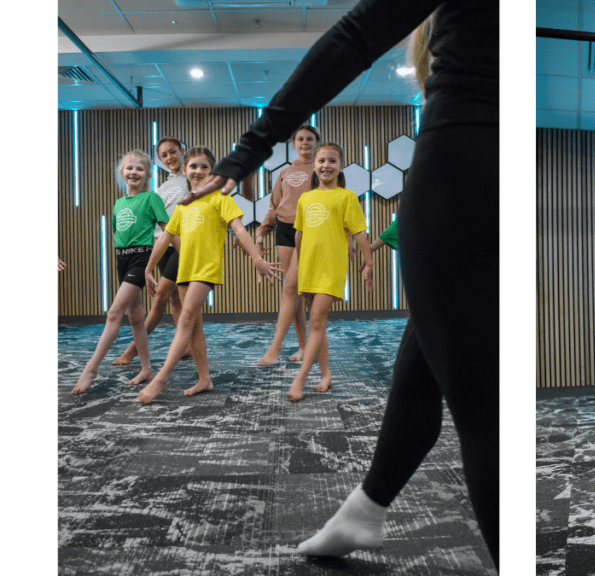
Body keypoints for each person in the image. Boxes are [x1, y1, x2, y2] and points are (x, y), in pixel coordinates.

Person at [183, 0, 498, 565]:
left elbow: (357, 34)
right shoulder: (299, 189)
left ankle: (365, 504)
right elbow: (289, 222)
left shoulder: (348, 194)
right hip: (483, 165)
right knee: (427, 355)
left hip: (458, 168)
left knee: (481, 403)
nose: (317, 161)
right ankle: (364, 510)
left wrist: (249, 148)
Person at [135, 147, 281, 404]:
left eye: (204, 167)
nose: (198, 171)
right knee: (194, 328)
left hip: (207, 269)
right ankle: (205, 378)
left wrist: (257, 259)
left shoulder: (220, 198)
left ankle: (160, 379)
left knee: (186, 318)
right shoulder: (183, 205)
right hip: (185, 269)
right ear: (184, 170)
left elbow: (239, 230)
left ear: (212, 173)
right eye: (193, 166)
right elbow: (165, 239)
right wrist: (148, 268)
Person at [71, 150, 169, 394]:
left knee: (114, 312)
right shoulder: (119, 203)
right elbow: (118, 235)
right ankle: (146, 369)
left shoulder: (151, 198)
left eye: (140, 169)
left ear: (147, 173)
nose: (134, 172)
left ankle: (91, 369)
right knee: (135, 315)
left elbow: (169, 233)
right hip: (121, 259)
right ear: (121, 172)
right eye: (129, 168)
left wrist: (182, 258)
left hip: (141, 257)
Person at [286, 143, 373, 401]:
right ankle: (326, 375)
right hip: (309, 268)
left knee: (315, 321)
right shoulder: (306, 198)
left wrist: (368, 262)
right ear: (313, 166)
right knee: (318, 324)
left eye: (332, 161)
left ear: (340, 166)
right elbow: (299, 235)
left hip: (331, 268)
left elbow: (359, 232)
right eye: (321, 160)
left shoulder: (346, 197)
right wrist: (298, 265)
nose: (326, 165)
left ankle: (299, 380)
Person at [113, 137, 192, 366]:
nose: (169, 158)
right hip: (162, 247)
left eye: (173, 152)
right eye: (164, 155)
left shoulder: (192, 179)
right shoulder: (163, 188)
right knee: (175, 300)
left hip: (182, 246)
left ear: (182, 151)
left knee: (159, 299)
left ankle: (131, 352)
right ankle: (185, 346)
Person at [254, 125, 322, 366]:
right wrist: (262, 231)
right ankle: (304, 347)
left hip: (310, 230)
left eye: (309, 139)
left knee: (301, 291)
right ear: (293, 144)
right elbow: (274, 206)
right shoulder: (283, 173)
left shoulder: (320, 168)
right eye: (300, 139)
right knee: (293, 290)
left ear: (316, 142)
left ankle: (279, 347)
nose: (305, 142)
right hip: (284, 229)